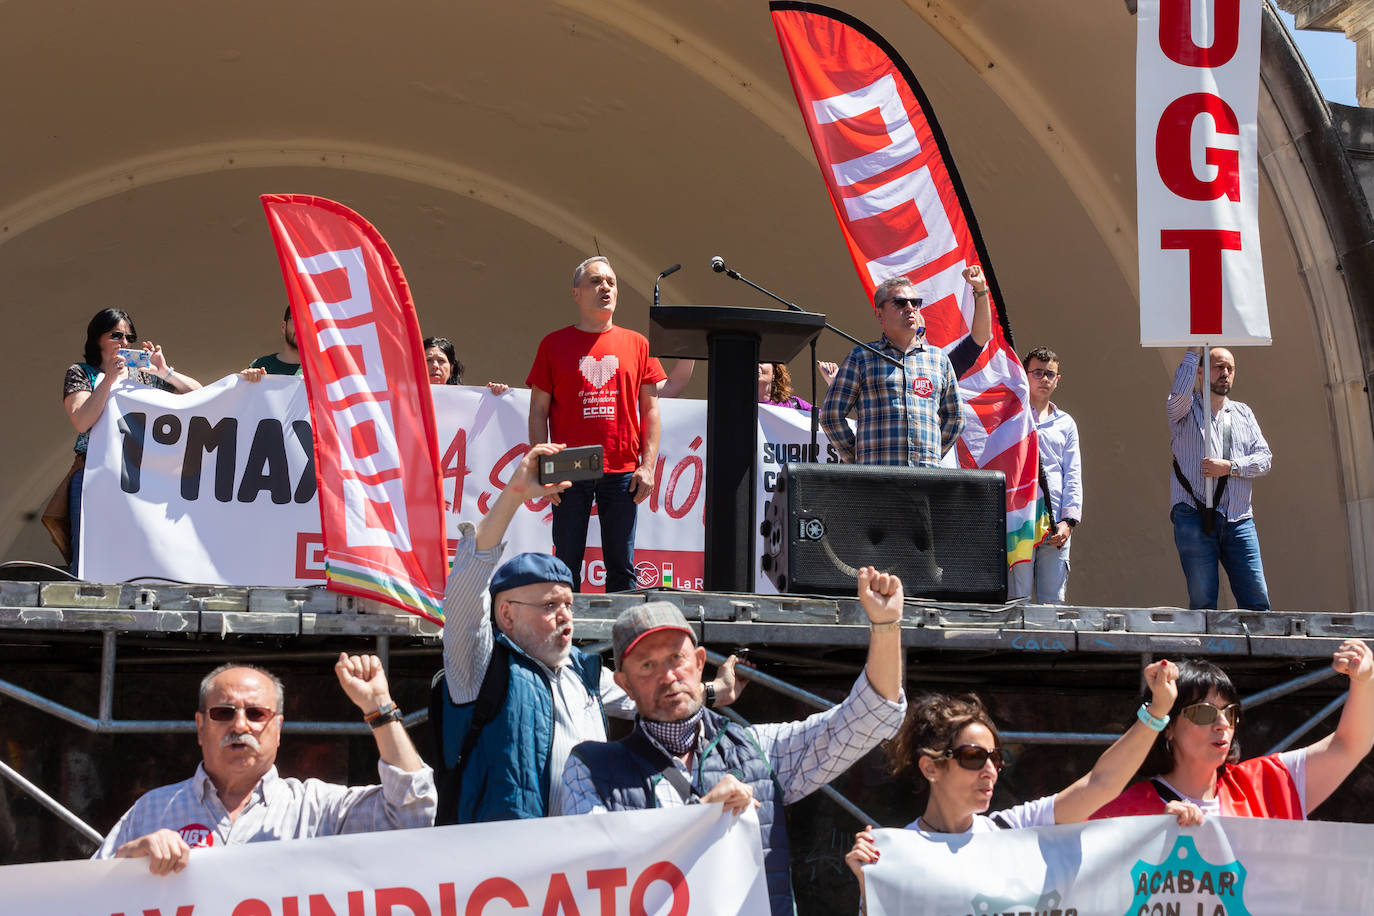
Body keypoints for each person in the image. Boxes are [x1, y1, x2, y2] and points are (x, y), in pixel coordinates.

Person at [563, 567, 908, 916]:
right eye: (647, 666)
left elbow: (868, 717)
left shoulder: (757, 749)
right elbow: (597, 879)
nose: (668, 676)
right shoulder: (591, 768)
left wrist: (886, 626)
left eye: (676, 658)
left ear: (699, 664)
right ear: (624, 685)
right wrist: (701, 818)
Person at [436, 442, 743, 823]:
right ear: (506, 615)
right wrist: (515, 492)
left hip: (578, 873)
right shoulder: (480, 665)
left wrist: (715, 690)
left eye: (568, 604)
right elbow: (467, 583)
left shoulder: (585, 674)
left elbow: (649, 696)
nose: (566, 616)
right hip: (502, 874)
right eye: (550, 606)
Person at [845, 661, 1190, 913]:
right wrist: (868, 887)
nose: (989, 771)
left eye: (996, 758)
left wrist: (1157, 711)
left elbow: (1100, 784)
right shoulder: (897, 855)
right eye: (973, 757)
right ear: (930, 767)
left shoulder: (1012, 830)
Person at [94, 655, 436, 873]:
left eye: (256, 714)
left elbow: (410, 814)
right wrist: (129, 861)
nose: (240, 726)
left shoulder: (316, 809)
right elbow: (84, 898)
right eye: (224, 713)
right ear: (200, 727)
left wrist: (379, 707)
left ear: (278, 729)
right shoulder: (152, 811)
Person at [1092, 641, 1373, 821]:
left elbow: (1349, 745)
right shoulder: (1127, 814)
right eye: (1204, 712)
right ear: (1169, 728)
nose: (1222, 724)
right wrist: (1153, 836)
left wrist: (1366, 680)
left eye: (1230, 712)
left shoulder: (1266, 785)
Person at [527, 256, 666, 592]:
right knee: (565, 566)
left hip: (621, 466)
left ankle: (623, 642)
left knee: (622, 566)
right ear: (577, 293)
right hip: (567, 465)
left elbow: (650, 410)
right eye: (595, 281)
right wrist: (544, 469)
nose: (605, 287)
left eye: (611, 282)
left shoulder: (639, 344)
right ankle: (562, 638)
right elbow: (537, 412)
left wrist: (647, 467)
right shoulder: (553, 344)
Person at [62, 309, 201, 573]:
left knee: (135, 550)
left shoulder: (144, 375)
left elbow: (198, 394)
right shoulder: (81, 372)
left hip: (138, 477)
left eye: (130, 337)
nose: (125, 343)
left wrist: (164, 371)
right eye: (117, 335)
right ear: (97, 338)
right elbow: (82, 420)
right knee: (89, 552)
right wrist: (109, 380)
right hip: (94, 472)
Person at [1167, 347, 1273, 611]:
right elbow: (1178, 395)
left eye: (1230, 368)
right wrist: (1193, 351)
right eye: (1219, 367)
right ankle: (1206, 653)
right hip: (1194, 514)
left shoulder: (1243, 413)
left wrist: (1231, 467)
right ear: (1201, 372)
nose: (1225, 373)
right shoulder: (1185, 410)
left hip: (1238, 517)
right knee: (1203, 599)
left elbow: (1264, 459)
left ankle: (1259, 652)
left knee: (1257, 598)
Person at [821, 275, 965, 466]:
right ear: (879, 314)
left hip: (925, 479)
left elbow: (956, 418)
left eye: (915, 302)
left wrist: (933, 455)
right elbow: (831, 415)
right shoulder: (862, 357)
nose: (910, 308)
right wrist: (857, 458)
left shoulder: (938, 359)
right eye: (900, 302)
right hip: (878, 480)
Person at [1017, 346, 1082, 604]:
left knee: (1052, 603)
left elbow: (1073, 475)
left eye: (1050, 374)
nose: (1044, 379)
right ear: (1025, 374)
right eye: (1037, 373)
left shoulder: (1066, 423)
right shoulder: (1012, 416)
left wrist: (1069, 521)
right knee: (1016, 600)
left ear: (1058, 379)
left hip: (1054, 524)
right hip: (1018, 520)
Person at [424, 335, 509, 394]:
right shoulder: (410, 400)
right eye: (428, 360)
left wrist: (494, 395)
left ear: (451, 368)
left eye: (441, 360)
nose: (435, 365)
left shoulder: (466, 399)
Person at [242, 307, 301, 379]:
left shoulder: (318, 369)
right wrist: (247, 380)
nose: (302, 326)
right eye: (297, 319)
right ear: (283, 327)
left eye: (308, 322)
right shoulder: (260, 365)